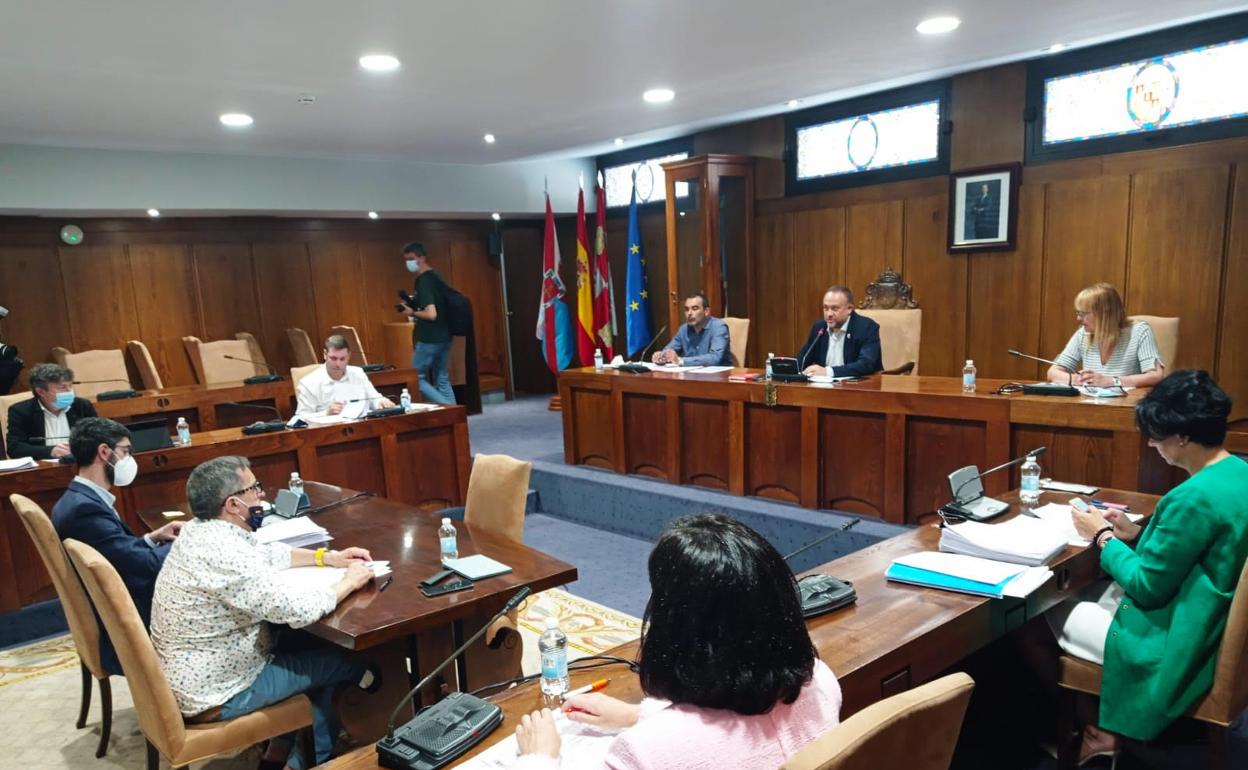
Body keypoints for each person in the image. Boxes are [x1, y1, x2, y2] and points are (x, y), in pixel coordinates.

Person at [514, 513, 842, 769]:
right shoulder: (821, 681)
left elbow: (694, 744)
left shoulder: (647, 752)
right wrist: (635, 715)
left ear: (677, 625)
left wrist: (539, 757)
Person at [1051, 370, 1248, 762]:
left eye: (1156, 436)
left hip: (1180, 638)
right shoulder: (1239, 472)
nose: (1151, 444)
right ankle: (1106, 725)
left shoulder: (1193, 497)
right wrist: (1136, 535)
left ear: (1183, 436)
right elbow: (1199, 554)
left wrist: (1102, 536)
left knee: (1039, 610)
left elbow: (1147, 587)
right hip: (1217, 624)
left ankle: (1097, 729)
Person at [151, 456, 374, 770]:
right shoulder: (225, 553)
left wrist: (328, 558)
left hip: (197, 676)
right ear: (233, 504)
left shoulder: (199, 531)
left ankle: (278, 754)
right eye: (254, 488)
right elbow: (299, 610)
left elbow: (267, 554)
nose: (261, 495)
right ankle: (308, 761)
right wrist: (349, 581)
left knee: (305, 646)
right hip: (220, 693)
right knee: (343, 660)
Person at [51, 417, 181, 674]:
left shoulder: (79, 499)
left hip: (121, 604)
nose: (129, 459)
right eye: (125, 451)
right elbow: (146, 565)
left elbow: (117, 551)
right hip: (128, 624)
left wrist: (152, 538)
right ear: (104, 452)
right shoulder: (84, 510)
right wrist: (189, 541)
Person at [1046, 282, 1165, 388]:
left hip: (1127, 403)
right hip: (1089, 402)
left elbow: (1156, 376)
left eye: (1083, 314)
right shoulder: (1083, 334)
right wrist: (1077, 379)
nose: (1078, 318)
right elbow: (1052, 372)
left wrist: (1111, 381)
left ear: (1104, 314)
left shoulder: (1139, 332)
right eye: (1078, 313)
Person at [399, 241, 456, 404]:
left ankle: (449, 409)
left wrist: (412, 312)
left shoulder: (423, 281)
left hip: (429, 338)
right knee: (442, 378)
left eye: (411, 258)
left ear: (422, 258)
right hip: (445, 335)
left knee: (416, 378)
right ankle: (455, 414)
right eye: (406, 260)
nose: (408, 263)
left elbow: (431, 314)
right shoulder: (436, 276)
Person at [6, 362, 97, 460]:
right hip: (43, 467)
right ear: (41, 391)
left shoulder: (82, 406)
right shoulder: (21, 411)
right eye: (62, 387)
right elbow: (15, 448)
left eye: (70, 385)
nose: (70, 391)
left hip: (79, 463)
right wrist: (51, 451)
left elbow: (99, 437)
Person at [295, 334, 394, 416]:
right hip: (330, 430)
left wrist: (382, 402)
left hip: (362, 426)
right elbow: (301, 417)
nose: (338, 364)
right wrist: (326, 413)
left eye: (342, 359)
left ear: (349, 356)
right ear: (325, 354)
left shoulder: (358, 373)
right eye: (333, 358)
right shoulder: (309, 383)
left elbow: (374, 398)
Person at [796, 285, 882, 378]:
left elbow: (866, 364)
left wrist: (828, 372)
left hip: (860, 384)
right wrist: (789, 369)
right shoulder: (820, 328)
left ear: (849, 309)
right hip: (824, 384)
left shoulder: (866, 327)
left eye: (834, 309)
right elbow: (803, 359)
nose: (829, 314)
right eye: (826, 308)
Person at [651, 292, 732, 367]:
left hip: (719, 375)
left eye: (695, 308)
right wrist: (661, 356)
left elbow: (715, 358)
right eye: (686, 309)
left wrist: (681, 361)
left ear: (706, 311)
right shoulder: (683, 329)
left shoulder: (718, 327)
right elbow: (670, 349)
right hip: (691, 374)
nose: (689, 313)